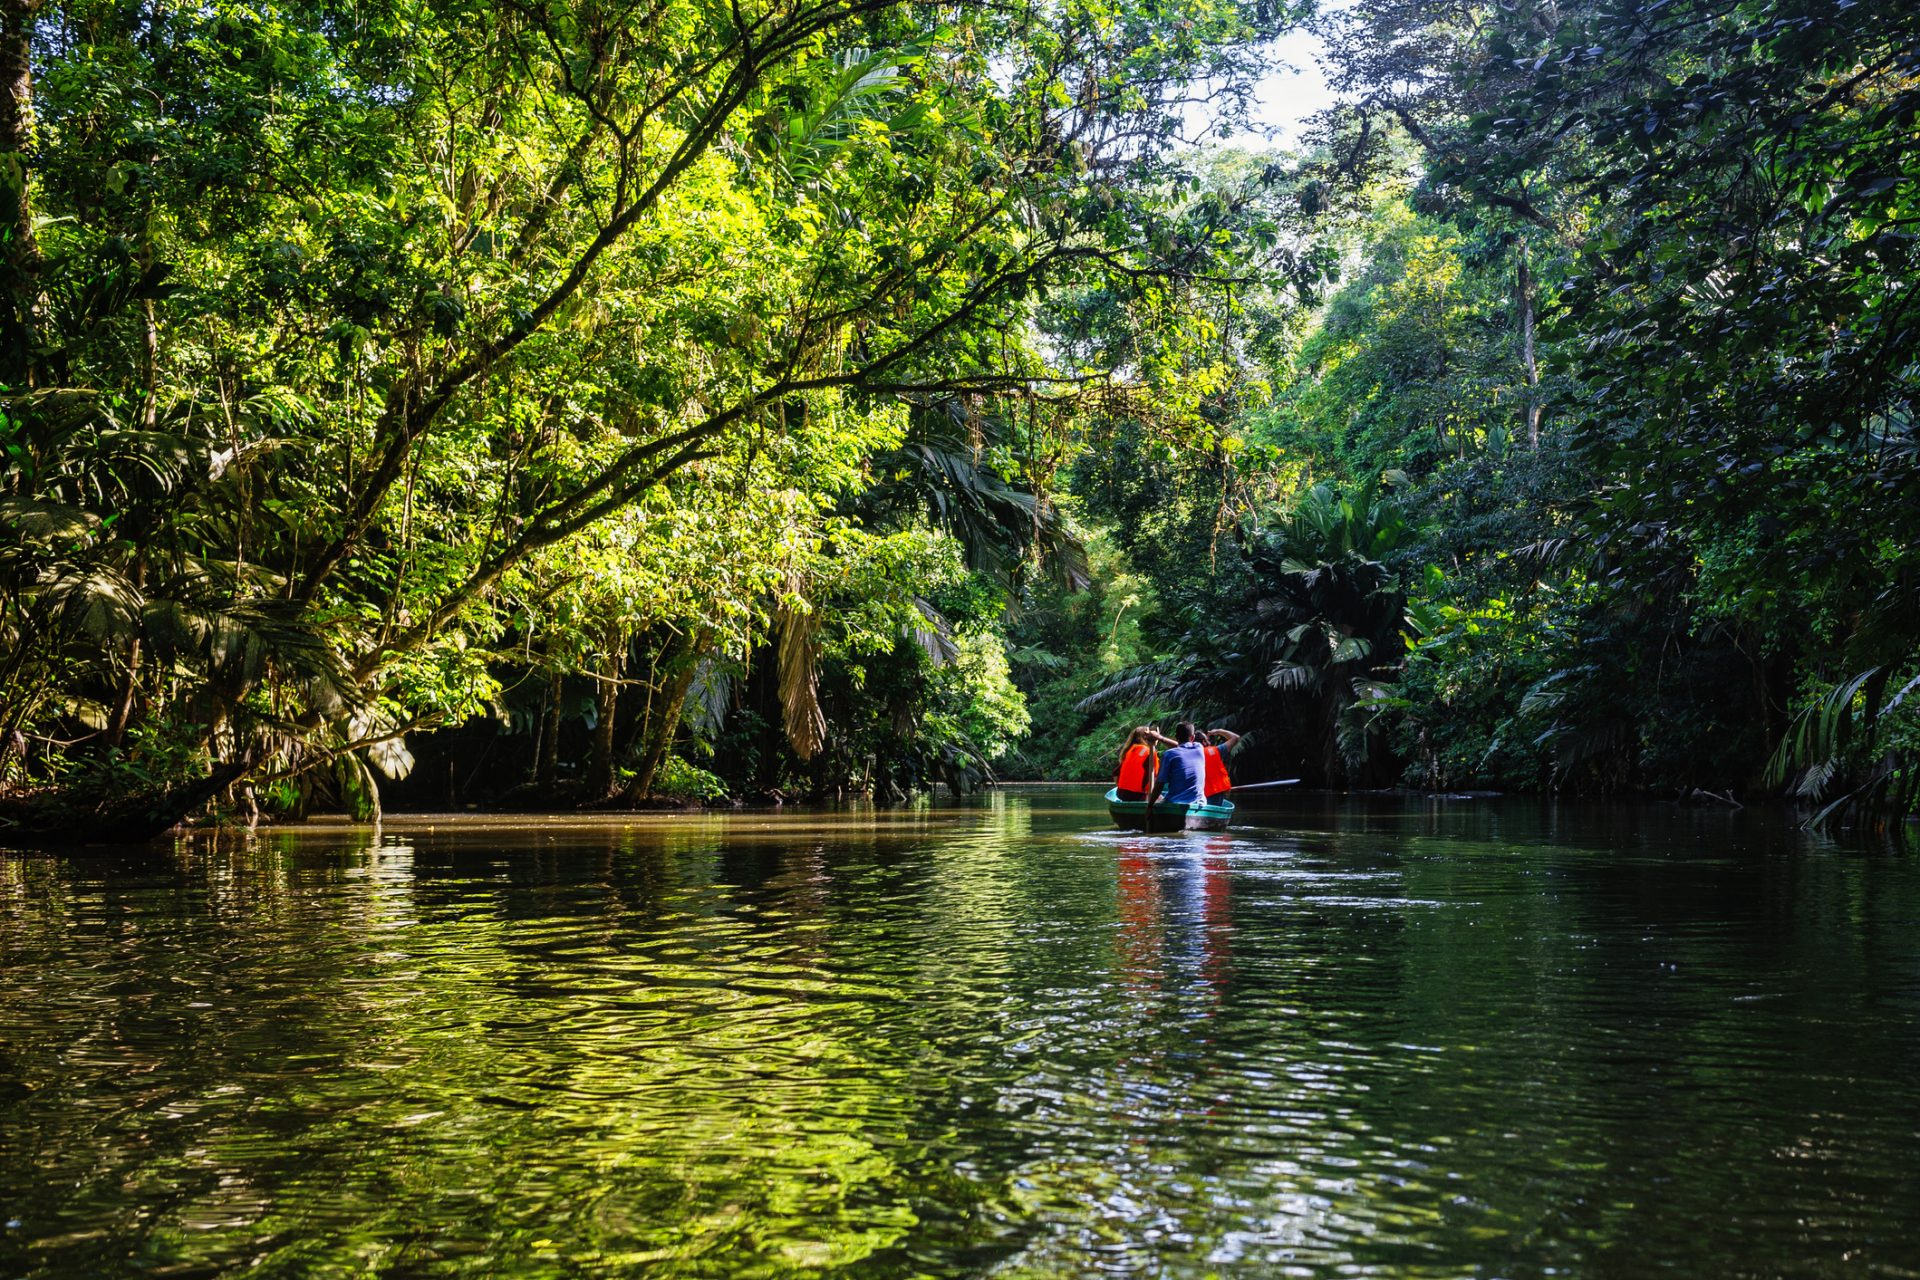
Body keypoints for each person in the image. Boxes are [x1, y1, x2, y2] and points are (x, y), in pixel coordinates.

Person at [1149, 722, 1208, 807]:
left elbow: (1159, 784)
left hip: (1174, 803)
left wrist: (1149, 806)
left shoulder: (1169, 754)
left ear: (1176, 737)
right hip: (1198, 803)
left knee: (1158, 803)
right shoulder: (1199, 748)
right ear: (1193, 737)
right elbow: (1182, 748)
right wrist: (1160, 738)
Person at [1115, 725, 1173, 801]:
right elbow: (1154, 778)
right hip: (1138, 796)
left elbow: (1115, 773)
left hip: (1121, 794)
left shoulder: (1129, 751)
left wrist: (1121, 786)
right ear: (1148, 737)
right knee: (1164, 800)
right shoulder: (1150, 753)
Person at [1200, 728, 1241, 802]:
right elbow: (1235, 737)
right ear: (1204, 742)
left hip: (1198, 794)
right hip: (1215, 791)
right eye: (1207, 740)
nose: (1209, 742)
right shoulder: (1215, 751)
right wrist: (1219, 731)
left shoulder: (1188, 753)